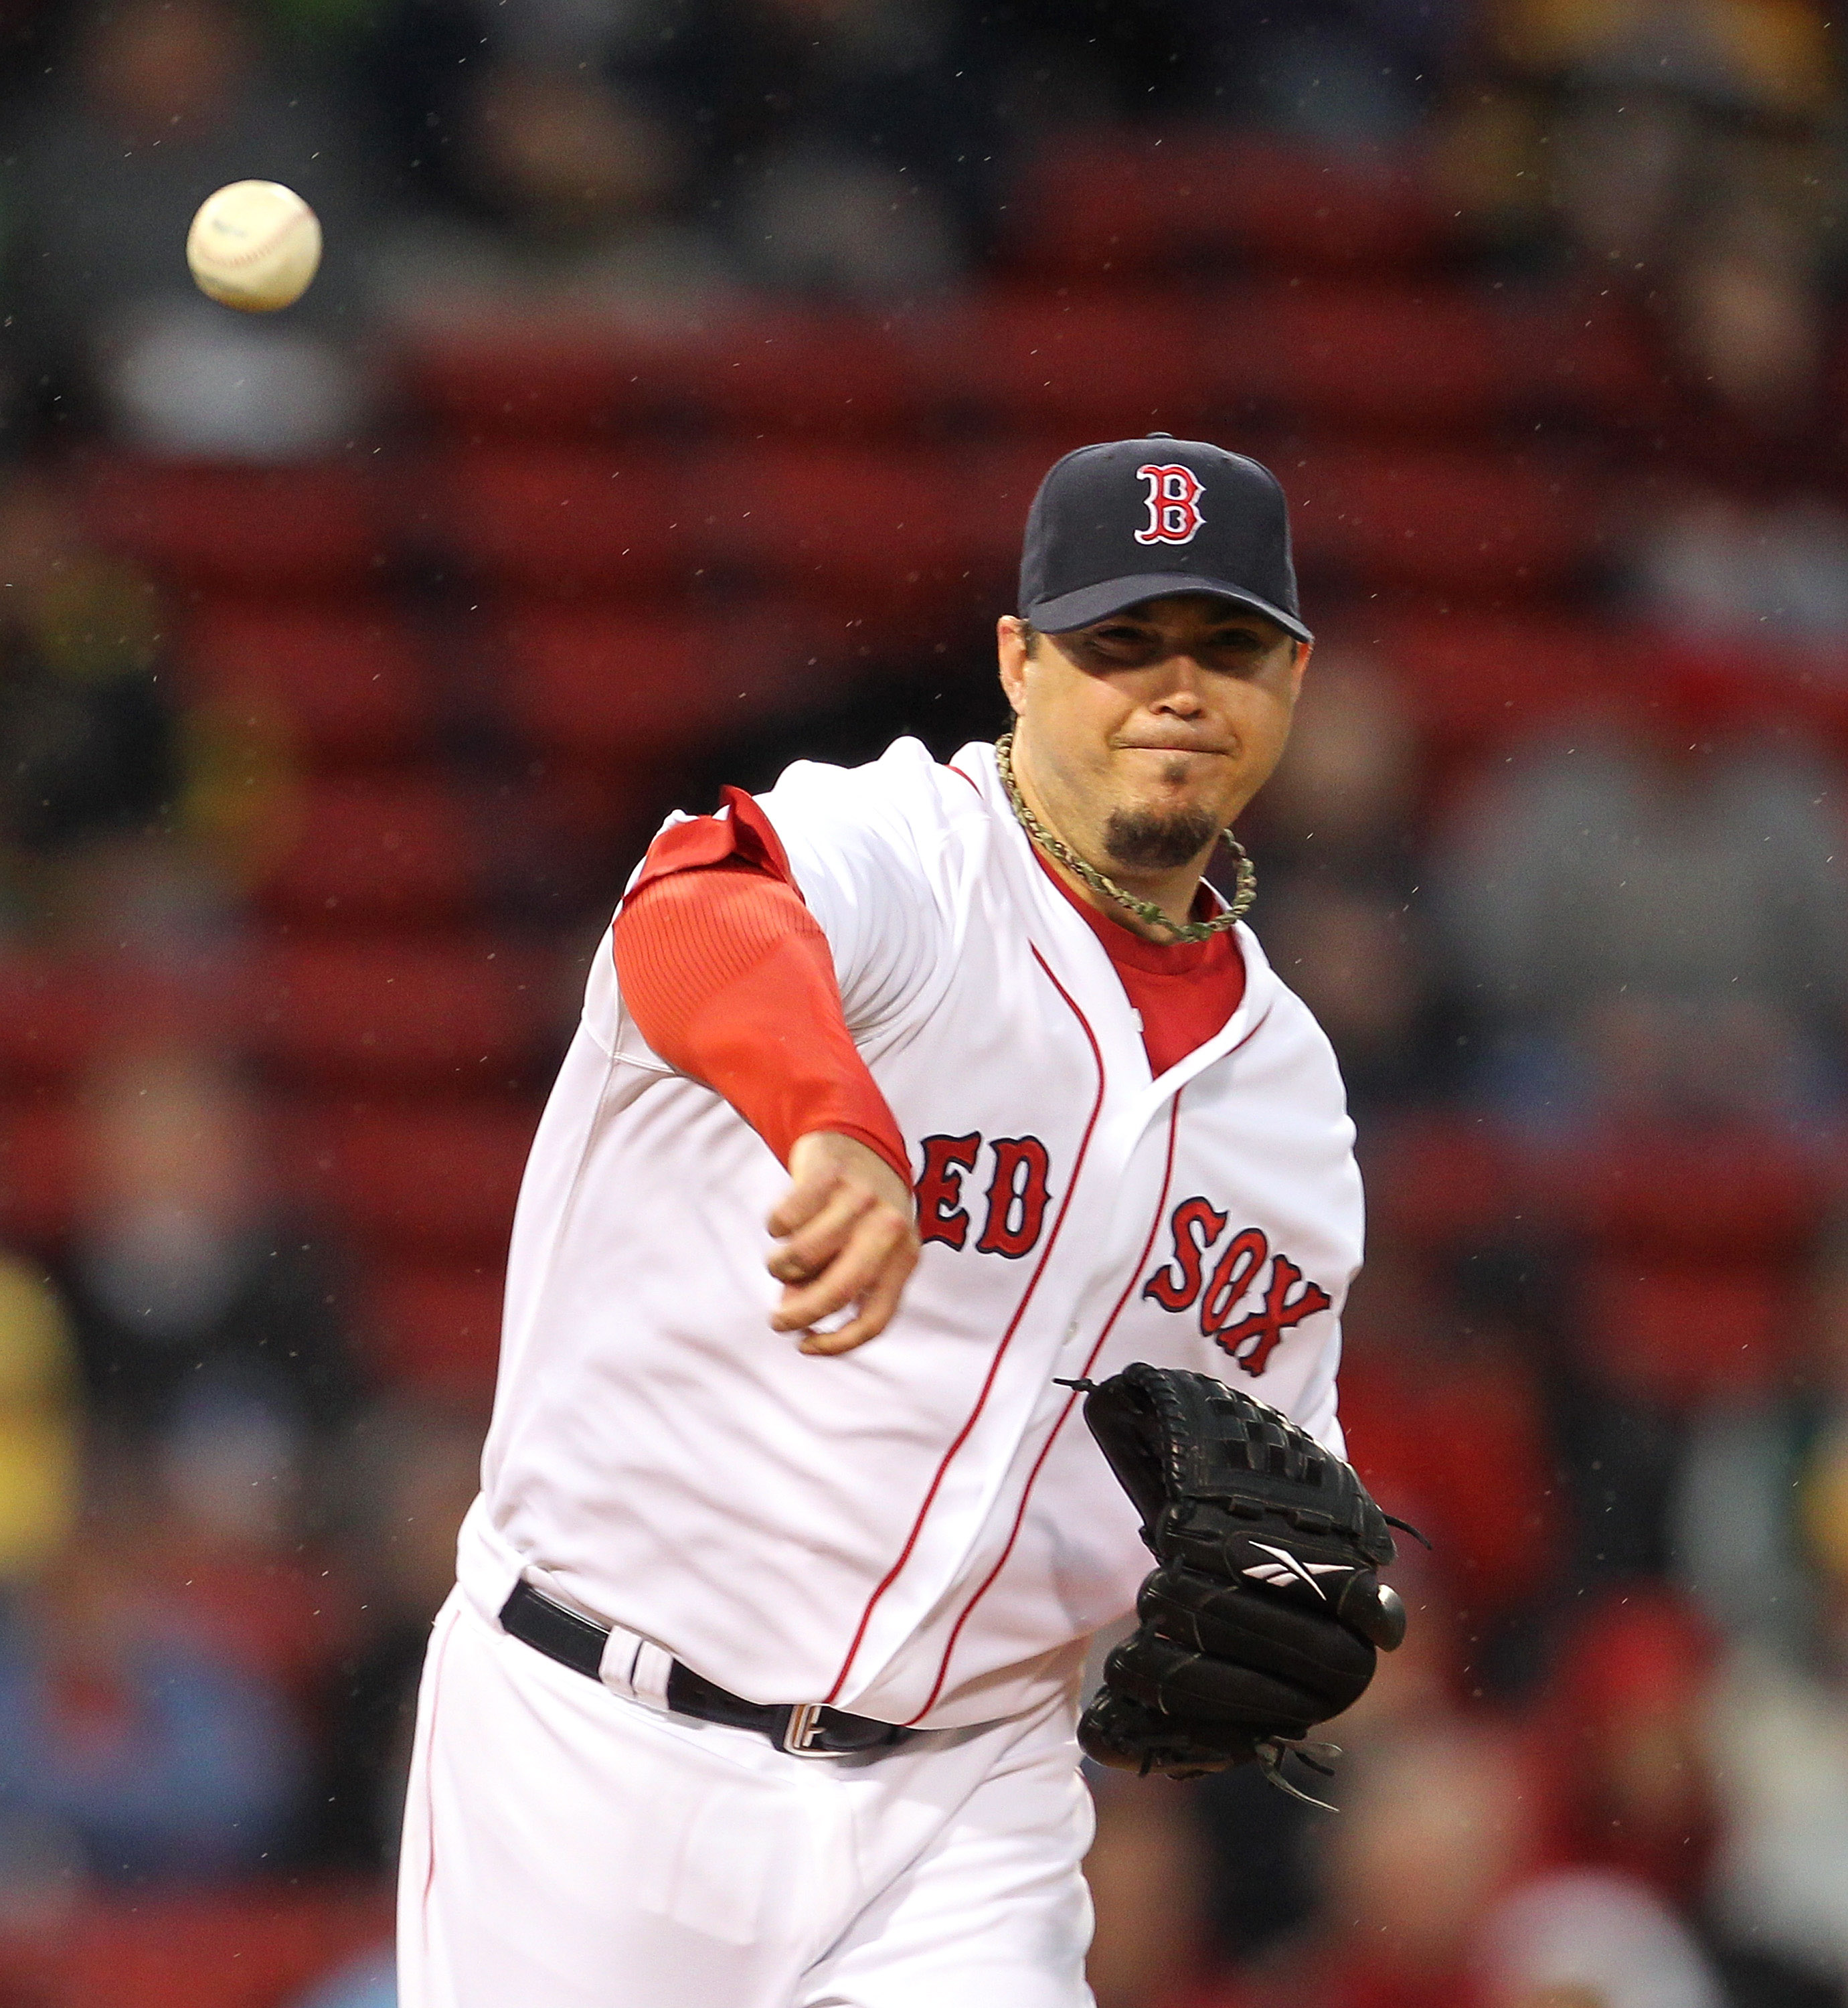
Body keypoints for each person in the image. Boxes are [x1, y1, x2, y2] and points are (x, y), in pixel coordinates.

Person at [399, 436, 1369, 2006]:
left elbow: (1265, 1479)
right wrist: (834, 1120)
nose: (1174, 689)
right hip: (600, 1746)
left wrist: (1286, 1594)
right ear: (1019, 661)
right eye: (1119, 642)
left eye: (1226, 647)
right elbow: (698, 908)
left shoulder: (1292, 1105)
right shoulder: (909, 854)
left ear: (1293, 679)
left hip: (965, 1812)